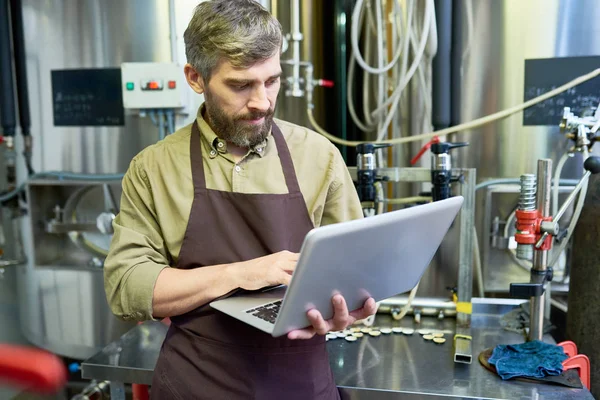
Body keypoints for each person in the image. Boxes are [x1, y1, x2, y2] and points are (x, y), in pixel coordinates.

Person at [103, 0, 377, 398]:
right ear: (195, 78)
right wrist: (241, 273)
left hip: (300, 384)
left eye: (272, 81)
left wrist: (347, 310)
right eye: (240, 85)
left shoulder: (319, 157)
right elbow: (127, 287)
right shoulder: (154, 167)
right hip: (196, 384)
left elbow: (355, 269)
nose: (262, 102)